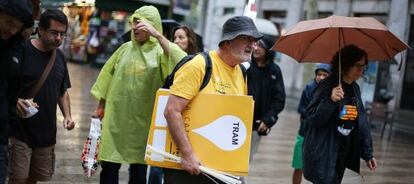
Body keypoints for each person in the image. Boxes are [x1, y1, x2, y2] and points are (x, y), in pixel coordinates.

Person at [90, 6, 186, 184]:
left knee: (139, 169)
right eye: (133, 22)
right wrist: (101, 105)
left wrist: (157, 35)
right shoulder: (124, 49)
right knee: (109, 166)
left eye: (140, 24)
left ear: (152, 26)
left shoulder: (160, 53)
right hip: (116, 119)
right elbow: (107, 76)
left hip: (143, 123)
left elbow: (182, 61)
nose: (134, 27)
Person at [163, 15, 262, 184]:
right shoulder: (200, 65)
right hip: (190, 169)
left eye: (254, 40)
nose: (253, 45)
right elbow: (172, 110)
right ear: (227, 42)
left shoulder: (240, 72)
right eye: (247, 38)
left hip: (219, 168)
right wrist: (187, 154)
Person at [9, 9, 75, 184]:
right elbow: (5, 85)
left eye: (62, 34)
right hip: (18, 131)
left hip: (46, 134)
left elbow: (62, 91)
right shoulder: (22, 50)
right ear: (41, 30)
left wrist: (68, 116)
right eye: (54, 33)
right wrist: (15, 101)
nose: (59, 38)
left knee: (34, 180)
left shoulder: (60, 57)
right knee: (17, 179)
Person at [302, 45, 377, 184]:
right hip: (324, 153)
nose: (361, 70)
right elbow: (311, 118)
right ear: (346, 64)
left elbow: (361, 121)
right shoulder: (327, 85)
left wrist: (368, 153)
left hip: (343, 153)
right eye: (357, 66)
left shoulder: (355, 88)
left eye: (364, 66)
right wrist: (330, 101)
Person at [0, 0, 33, 183]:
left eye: (17, 26)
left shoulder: (16, 47)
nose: (12, 30)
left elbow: (12, 88)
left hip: (1, 136)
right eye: (9, 23)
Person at [291, 63, 331, 184]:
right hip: (304, 133)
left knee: (318, 169)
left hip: (321, 137)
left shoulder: (332, 91)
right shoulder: (309, 87)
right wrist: (313, 116)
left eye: (325, 75)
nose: (321, 77)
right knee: (298, 165)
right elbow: (301, 109)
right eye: (319, 74)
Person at [247, 35, 285, 160]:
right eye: (255, 44)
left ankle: (240, 180)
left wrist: (268, 119)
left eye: (260, 46)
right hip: (238, 120)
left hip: (258, 124)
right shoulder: (245, 65)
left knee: (248, 158)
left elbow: (279, 99)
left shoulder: (275, 71)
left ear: (268, 50)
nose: (256, 48)